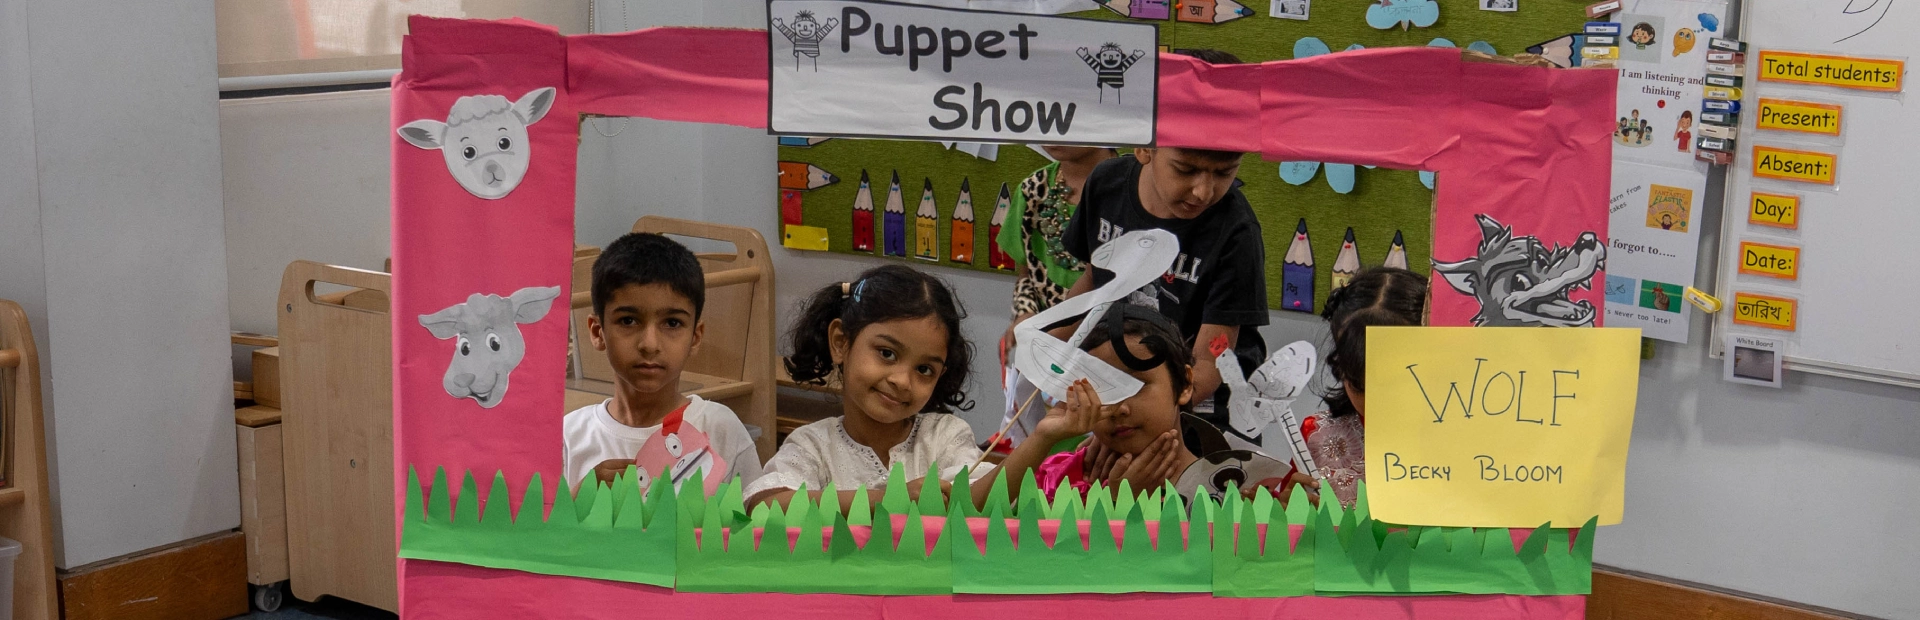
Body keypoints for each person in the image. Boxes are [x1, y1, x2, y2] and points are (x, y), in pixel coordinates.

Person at [1055, 49, 1269, 434]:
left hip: (1196, 409)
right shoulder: (1106, 185)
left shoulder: (1236, 231)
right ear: (1144, 146)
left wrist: (1146, 416)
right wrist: (1049, 353)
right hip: (1121, 395)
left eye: (1225, 173)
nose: (1203, 191)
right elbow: (1092, 281)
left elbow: (1211, 359)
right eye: (1186, 169)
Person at [745, 265, 992, 511]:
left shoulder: (944, 437)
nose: (902, 381)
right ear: (840, 342)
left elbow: (983, 498)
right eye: (887, 353)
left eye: (924, 370)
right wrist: (888, 500)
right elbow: (763, 505)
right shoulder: (813, 446)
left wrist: (1033, 441)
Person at [561, 233, 763, 492]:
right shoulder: (570, 437)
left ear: (695, 337)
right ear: (597, 331)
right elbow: (538, 529)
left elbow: (755, 527)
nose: (650, 344)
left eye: (672, 323)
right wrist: (579, 498)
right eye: (628, 321)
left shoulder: (721, 429)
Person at [997, 307, 1201, 502]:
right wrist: (1042, 437)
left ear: (1185, 383)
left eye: (1136, 386)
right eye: (1101, 390)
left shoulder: (1222, 487)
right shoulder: (1061, 478)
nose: (1119, 409)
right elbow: (972, 520)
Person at [993, 144, 1118, 447]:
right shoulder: (1033, 191)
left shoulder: (1131, 191)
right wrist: (1024, 314)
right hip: (1050, 351)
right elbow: (1024, 275)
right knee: (1043, 448)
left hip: (1111, 352)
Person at [1297, 267, 1425, 508]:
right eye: (1360, 386)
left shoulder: (1475, 440)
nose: (1380, 403)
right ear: (1341, 368)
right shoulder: (1316, 438)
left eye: (1396, 385)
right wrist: (1286, 508)